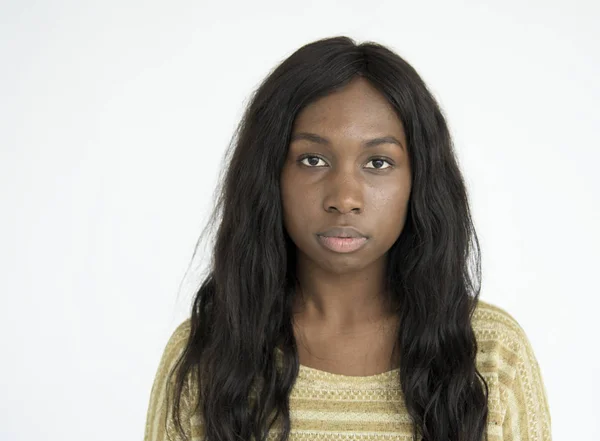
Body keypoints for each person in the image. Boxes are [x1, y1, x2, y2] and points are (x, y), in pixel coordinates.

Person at [143, 36, 552, 441]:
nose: (344, 199)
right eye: (312, 160)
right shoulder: (207, 357)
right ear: (270, 177)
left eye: (378, 162)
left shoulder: (493, 354)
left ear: (419, 180)